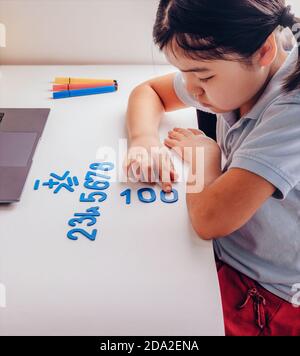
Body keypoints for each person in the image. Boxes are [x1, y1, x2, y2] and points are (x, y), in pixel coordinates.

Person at [124, 0, 300, 336]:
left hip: (266, 294)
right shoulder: (243, 66)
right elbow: (149, 92)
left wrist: (205, 158)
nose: (191, 90)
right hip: (223, 251)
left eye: (203, 76)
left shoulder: (292, 111)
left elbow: (209, 220)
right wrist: (143, 140)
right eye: (185, 73)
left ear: (263, 52)